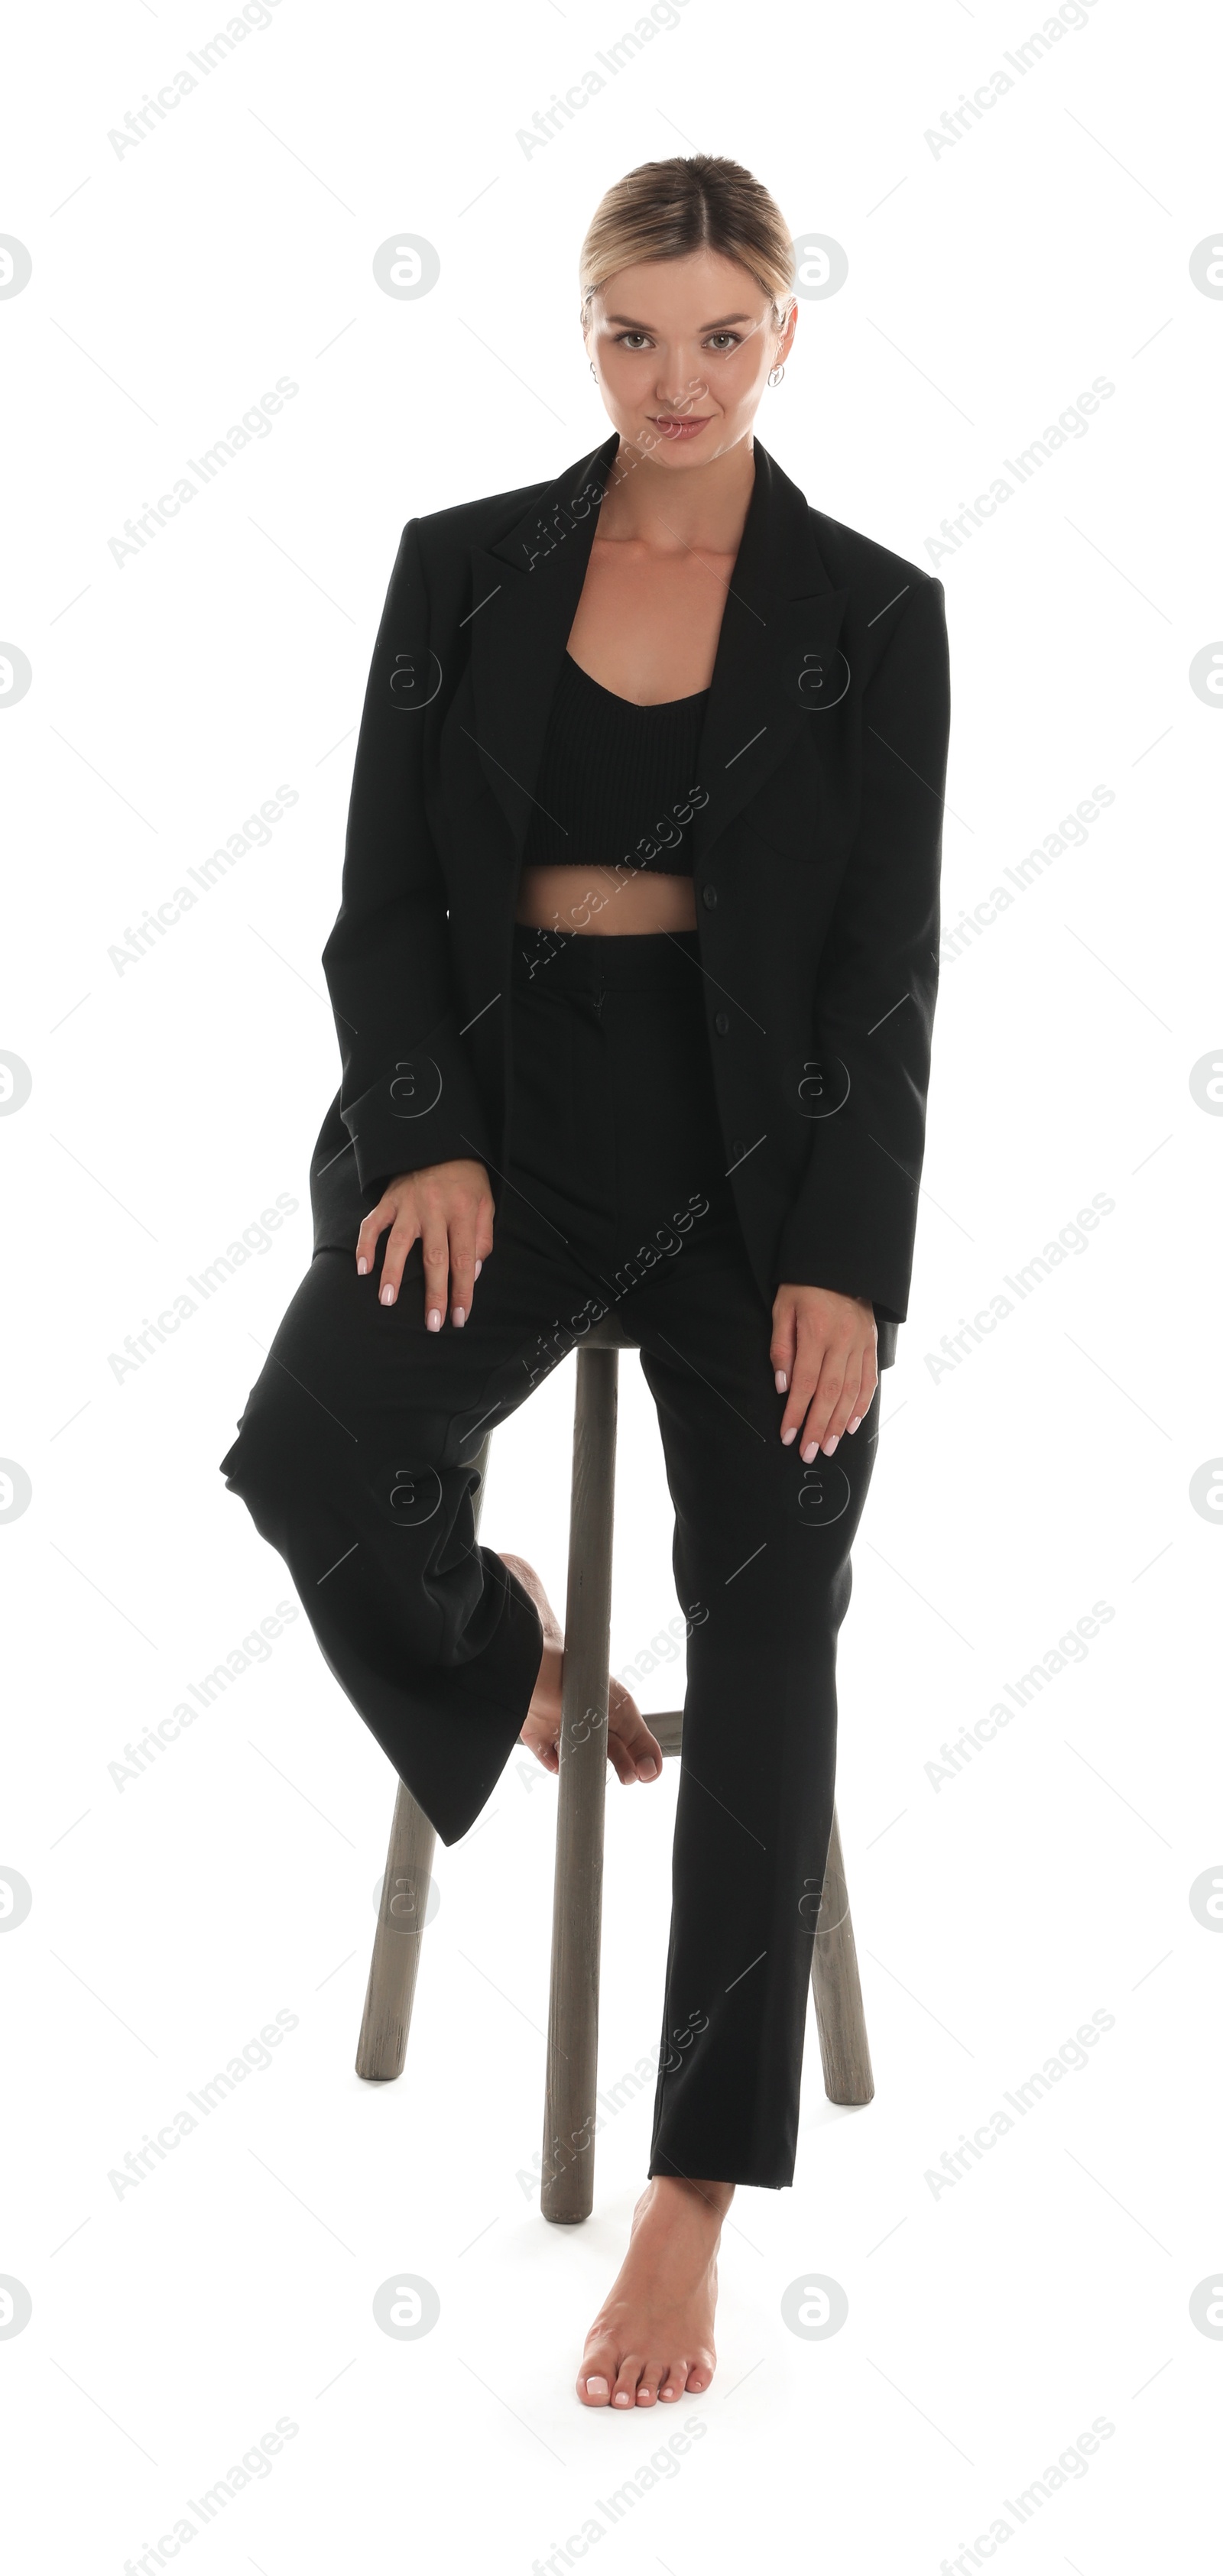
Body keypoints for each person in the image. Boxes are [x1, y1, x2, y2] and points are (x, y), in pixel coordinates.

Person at [219, 153, 950, 2412]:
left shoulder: (874, 609)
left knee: (771, 1598)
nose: (679, 376)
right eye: (637, 330)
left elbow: (881, 969)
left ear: (787, 334)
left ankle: (690, 2194)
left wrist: (848, 1264)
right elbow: (375, 898)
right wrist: (423, 1131)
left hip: (758, 1177)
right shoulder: (469, 563)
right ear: (586, 328)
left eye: (724, 332)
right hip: (506, 1130)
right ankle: (508, 1647)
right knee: (314, 1451)